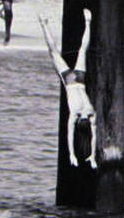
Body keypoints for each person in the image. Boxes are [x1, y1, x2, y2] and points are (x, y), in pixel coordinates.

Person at [38, 9, 97, 169]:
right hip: (71, 82)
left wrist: (90, 156)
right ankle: (43, 24)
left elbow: (91, 136)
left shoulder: (90, 113)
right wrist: (83, 155)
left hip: (79, 79)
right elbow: (71, 136)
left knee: (81, 50)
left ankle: (87, 22)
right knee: (54, 53)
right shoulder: (77, 115)